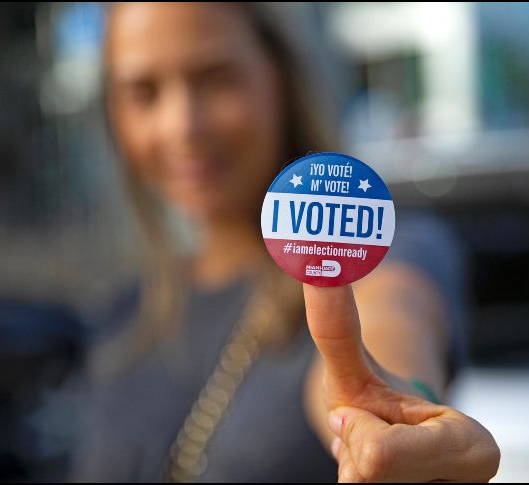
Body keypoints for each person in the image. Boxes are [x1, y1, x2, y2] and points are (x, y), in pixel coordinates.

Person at [71, 3, 499, 482]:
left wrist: (393, 403)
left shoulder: (366, 254)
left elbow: (393, 315)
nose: (182, 126)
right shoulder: (123, 313)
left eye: (216, 78)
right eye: (143, 93)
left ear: (280, 78)